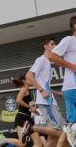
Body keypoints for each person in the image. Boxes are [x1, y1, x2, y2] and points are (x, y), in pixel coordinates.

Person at [26, 38, 65, 144]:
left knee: (53, 137)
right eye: (52, 44)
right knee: (61, 131)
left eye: (55, 44)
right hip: (46, 101)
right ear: (46, 46)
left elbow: (44, 83)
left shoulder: (48, 62)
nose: (55, 46)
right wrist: (41, 90)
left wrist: (56, 92)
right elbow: (28, 76)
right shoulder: (41, 59)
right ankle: (32, 127)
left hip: (50, 100)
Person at [50, 16, 76, 147]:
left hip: (69, 88)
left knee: (73, 123)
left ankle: (69, 128)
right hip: (73, 87)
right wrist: (72, 66)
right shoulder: (69, 40)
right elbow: (51, 55)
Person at [0, 74, 42, 147]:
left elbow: (29, 104)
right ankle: (3, 140)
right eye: (28, 79)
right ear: (24, 81)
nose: (31, 80)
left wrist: (34, 111)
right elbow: (18, 100)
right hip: (22, 119)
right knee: (22, 144)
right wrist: (30, 107)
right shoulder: (24, 88)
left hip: (29, 119)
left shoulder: (28, 90)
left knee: (38, 143)